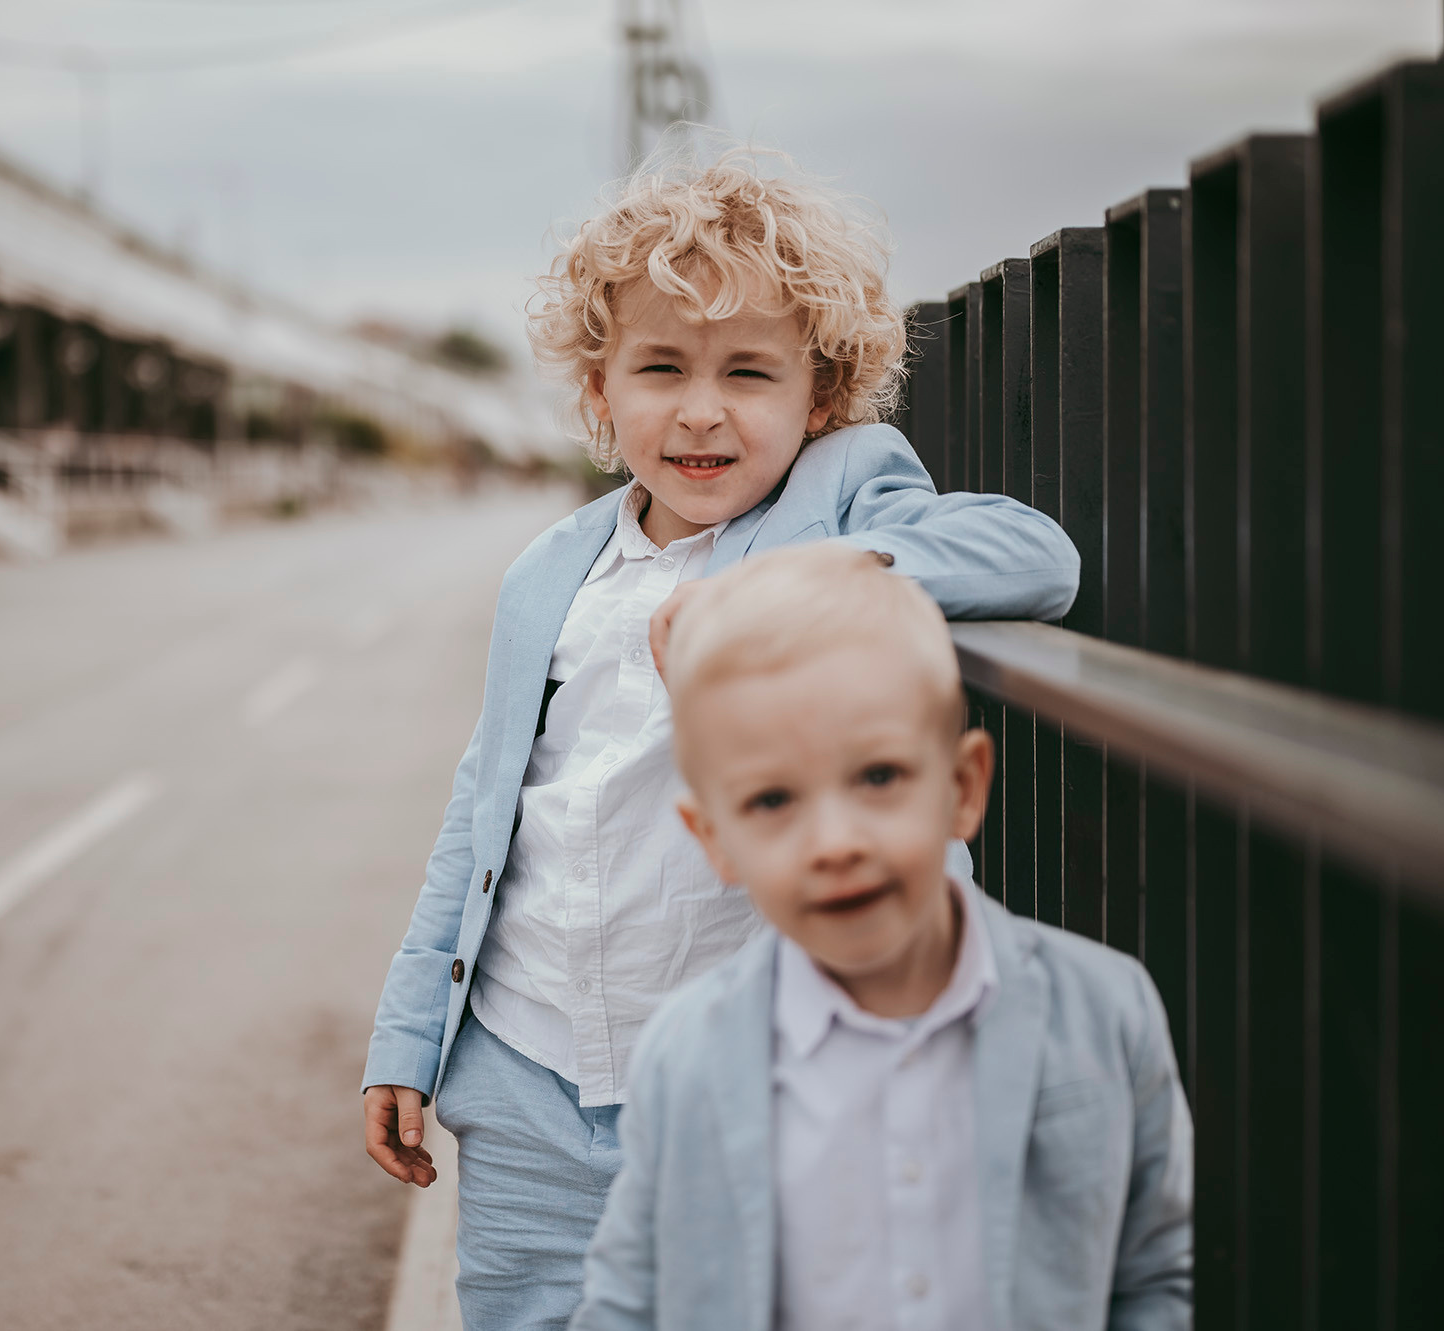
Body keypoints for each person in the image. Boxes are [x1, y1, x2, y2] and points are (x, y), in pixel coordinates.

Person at [360, 149, 1084, 1330]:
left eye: (749, 371)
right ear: (601, 391)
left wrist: (809, 573)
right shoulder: (555, 568)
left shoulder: (844, 488)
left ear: (821, 394)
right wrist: (407, 1031)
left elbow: (1036, 559)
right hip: (526, 1066)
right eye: (658, 368)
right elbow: (486, 807)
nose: (700, 409)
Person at [569, 542, 1193, 1331]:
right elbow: (627, 1303)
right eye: (771, 800)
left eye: (878, 777)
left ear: (962, 788)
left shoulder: (1104, 1010)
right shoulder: (687, 1053)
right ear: (714, 837)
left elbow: (1156, 1275)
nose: (836, 842)